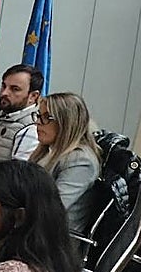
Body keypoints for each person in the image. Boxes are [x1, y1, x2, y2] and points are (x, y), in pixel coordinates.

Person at [30, 92, 100, 239]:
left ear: (66, 122)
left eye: (47, 117)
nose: (38, 122)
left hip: (54, 242)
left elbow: (52, 208)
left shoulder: (81, 161)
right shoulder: (46, 151)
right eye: (38, 115)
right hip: (34, 230)